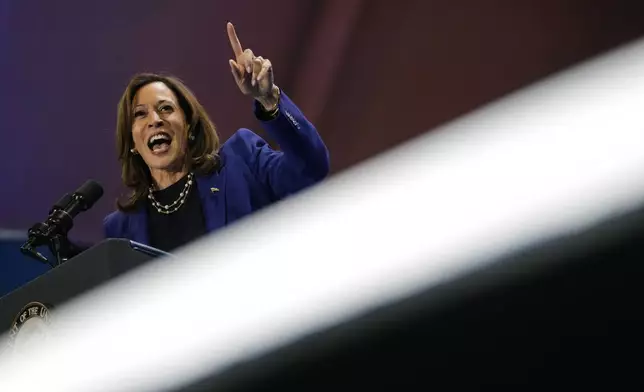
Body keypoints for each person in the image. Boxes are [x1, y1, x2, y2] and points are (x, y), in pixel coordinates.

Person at [103, 22, 330, 252]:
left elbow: (311, 169)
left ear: (189, 124)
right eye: (140, 114)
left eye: (166, 108)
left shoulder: (242, 160)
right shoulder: (120, 229)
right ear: (132, 142)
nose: (154, 119)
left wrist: (269, 100)